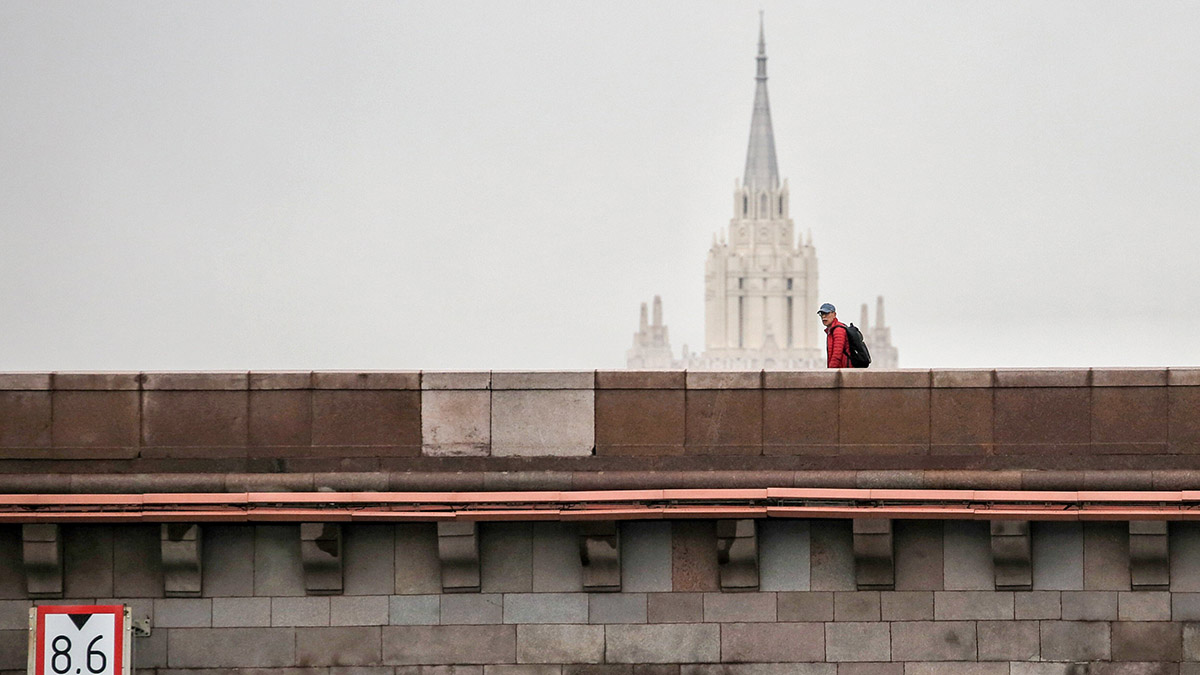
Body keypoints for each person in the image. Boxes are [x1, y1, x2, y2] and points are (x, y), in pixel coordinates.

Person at [818, 302, 852, 368]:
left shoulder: (838, 330)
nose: (823, 316)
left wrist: (831, 370)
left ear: (834, 314)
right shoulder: (831, 330)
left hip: (843, 370)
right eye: (821, 314)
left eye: (826, 313)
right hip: (840, 369)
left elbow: (837, 355)